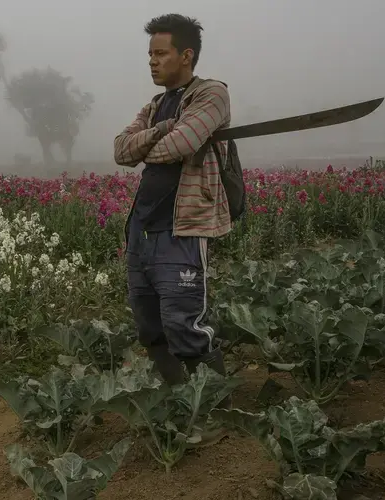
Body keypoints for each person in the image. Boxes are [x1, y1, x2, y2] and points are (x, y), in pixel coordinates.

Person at [113, 14, 233, 443]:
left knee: (186, 327)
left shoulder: (212, 94)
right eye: (149, 54)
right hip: (142, 231)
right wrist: (162, 128)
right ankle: (183, 401)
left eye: (160, 53)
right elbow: (120, 149)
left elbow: (181, 146)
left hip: (181, 231)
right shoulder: (155, 105)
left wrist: (155, 140)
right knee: (151, 328)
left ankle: (214, 415)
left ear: (187, 55)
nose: (152, 61)